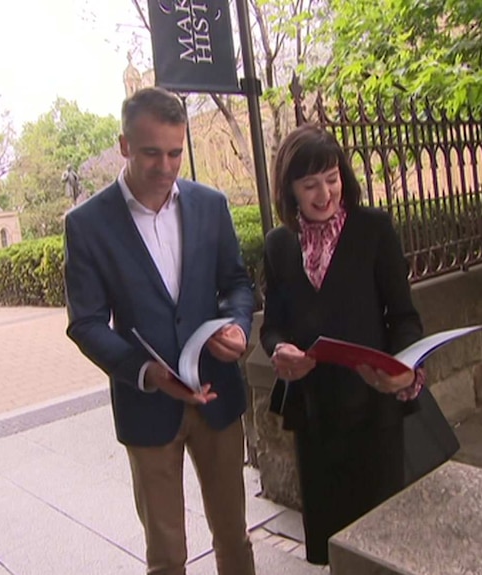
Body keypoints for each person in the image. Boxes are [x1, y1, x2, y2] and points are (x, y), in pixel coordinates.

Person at [63, 87, 256, 575]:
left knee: (234, 536)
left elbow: (236, 282)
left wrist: (236, 326)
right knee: (166, 556)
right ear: (125, 145)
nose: (167, 166)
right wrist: (146, 371)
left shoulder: (210, 204)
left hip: (218, 396)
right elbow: (85, 322)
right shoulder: (86, 225)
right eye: (152, 152)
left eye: (175, 152)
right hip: (147, 405)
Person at [260, 124, 446, 565]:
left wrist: (404, 366)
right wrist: (278, 350)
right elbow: (272, 326)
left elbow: (403, 317)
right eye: (310, 185)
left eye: (332, 178)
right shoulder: (279, 244)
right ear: (289, 190)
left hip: (373, 412)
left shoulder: (374, 230)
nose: (324, 194)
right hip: (315, 418)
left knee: (383, 542)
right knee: (334, 545)